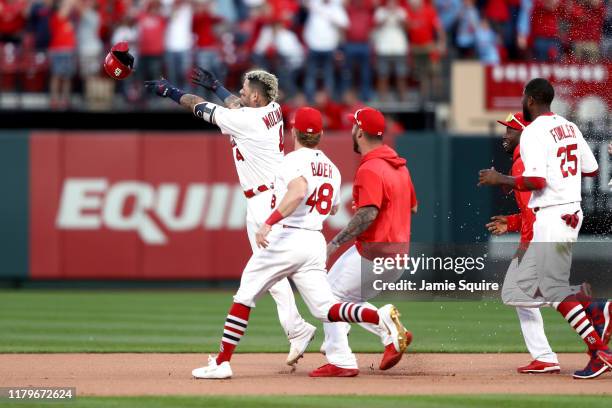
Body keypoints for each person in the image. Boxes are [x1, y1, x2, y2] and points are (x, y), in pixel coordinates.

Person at [189, 106, 409, 379]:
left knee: (245, 295)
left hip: (287, 236)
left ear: (294, 131)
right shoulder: (332, 167)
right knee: (326, 308)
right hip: (314, 241)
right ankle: (379, 319)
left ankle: (221, 362)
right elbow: (329, 209)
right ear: (320, 134)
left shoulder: (290, 160)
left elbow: (299, 190)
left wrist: (269, 221)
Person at [145, 68, 315, 366]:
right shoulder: (271, 108)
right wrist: (219, 88)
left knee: (282, 274)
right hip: (263, 197)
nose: (239, 94)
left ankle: (332, 325)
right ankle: (297, 328)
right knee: (275, 276)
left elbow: (197, 105)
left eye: (244, 89)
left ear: (255, 96)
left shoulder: (247, 119)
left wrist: (169, 92)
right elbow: (237, 105)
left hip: (266, 201)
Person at [477, 78, 612, 379]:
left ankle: (599, 349)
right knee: (525, 290)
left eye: (524, 97)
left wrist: (500, 179)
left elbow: (536, 182)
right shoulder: (569, 126)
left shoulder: (534, 132)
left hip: (552, 215)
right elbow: (591, 169)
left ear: (530, 100)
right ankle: (590, 316)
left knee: (550, 288)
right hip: (569, 212)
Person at [484, 112, 592, 374]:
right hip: (541, 230)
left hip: (537, 238)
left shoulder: (523, 162)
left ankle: (578, 299)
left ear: (524, 132)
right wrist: (511, 223)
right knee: (518, 296)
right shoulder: (529, 158)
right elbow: (532, 209)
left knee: (515, 293)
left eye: (510, 130)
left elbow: (536, 212)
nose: (505, 136)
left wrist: (525, 245)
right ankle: (544, 356)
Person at [316, 107, 418, 377]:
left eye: (353, 126)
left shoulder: (371, 168)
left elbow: (368, 214)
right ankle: (392, 335)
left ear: (359, 131)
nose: (351, 130)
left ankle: (340, 359)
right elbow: (413, 207)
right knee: (344, 296)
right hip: (397, 253)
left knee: (328, 299)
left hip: (375, 254)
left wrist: (334, 244)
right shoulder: (399, 167)